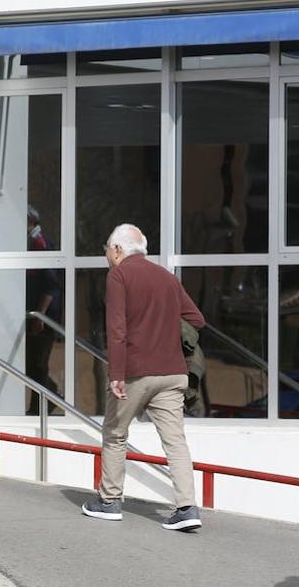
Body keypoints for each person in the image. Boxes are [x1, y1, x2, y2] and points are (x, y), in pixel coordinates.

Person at [81, 223, 205, 531]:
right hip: (174, 372)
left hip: (137, 371)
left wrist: (116, 373)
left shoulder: (119, 275)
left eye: (107, 249)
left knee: (115, 432)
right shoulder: (166, 276)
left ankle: (109, 502)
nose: (107, 255)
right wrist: (164, 327)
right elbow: (196, 319)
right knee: (175, 440)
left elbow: (118, 327)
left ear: (119, 249)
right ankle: (187, 508)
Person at [25, 206, 61, 414]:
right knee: (32, 364)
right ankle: (45, 399)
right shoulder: (32, 241)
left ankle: (43, 403)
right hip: (35, 314)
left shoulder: (39, 243)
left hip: (43, 316)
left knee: (37, 364)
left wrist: (40, 315)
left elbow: (50, 284)